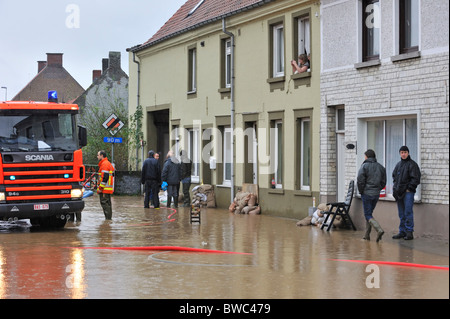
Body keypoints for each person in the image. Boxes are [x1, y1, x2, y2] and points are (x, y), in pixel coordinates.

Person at [392, 146, 421, 240]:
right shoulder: (398, 165)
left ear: (408, 153)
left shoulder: (412, 165)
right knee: (401, 213)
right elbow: (394, 177)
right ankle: (402, 231)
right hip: (399, 193)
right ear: (399, 154)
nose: (403, 154)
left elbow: (415, 179)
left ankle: (409, 232)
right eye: (401, 152)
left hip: (408, 193)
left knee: (408, 212)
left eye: (405, 152)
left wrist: (409, 188)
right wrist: (395, 189)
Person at [357, 149, 386, 242]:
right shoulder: (381, 167)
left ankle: (379, 229)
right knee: (369, 214)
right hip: (376, 194)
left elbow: (360, 180)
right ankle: (366, 236)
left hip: (367, 193)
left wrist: (361, 191)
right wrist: (378, 189)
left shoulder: (364, 166)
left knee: (368, 214)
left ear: (367, 156)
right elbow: (383, 182)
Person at [97, 150, 115, 220]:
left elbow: (105, 177)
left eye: (98, 155)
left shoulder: (104, 164)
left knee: (104, 203)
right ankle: (109, 220)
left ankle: (108, 220)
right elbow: (112, 174)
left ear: (102, 156)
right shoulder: (108, 163)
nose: (97, 157)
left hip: (104, 189)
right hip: (108, 189)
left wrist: (100, 188)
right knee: (108, 204)